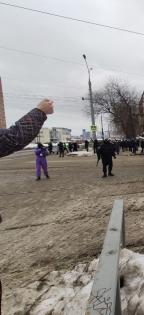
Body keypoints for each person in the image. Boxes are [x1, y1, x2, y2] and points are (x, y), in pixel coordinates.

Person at [0, 98, 54, 315]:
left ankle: (44, 175)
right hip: (39, 160)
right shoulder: (37, 152)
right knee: (40, 169)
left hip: (43, 163)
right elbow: (12, 138)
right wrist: (40, 111)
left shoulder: (42, 152)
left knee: (43, 169)